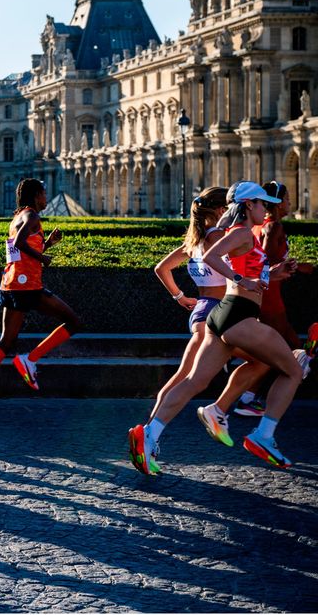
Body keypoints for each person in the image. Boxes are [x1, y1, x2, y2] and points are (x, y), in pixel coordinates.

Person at [128, 181, 301, 474]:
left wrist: (273, 273)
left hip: (222, 314)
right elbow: (211, 257)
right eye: (262, 204)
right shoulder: (242, 232)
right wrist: (240, 278)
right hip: (238, 315)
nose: (267, 209)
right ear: (248, 205)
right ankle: (262, 434)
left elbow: (242, 271)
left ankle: (150, 434)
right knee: (293, 369)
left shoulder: (241, 235)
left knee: (194, 380)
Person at [0, 178, 81, 416]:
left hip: (12, 283)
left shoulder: (18, 216)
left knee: (6, 342)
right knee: (74, 322)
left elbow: (23, 247)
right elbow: (19, 242)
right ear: (36, 195)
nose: (46, 198)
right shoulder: (32, 217)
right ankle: (30, 359)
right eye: (44, 194)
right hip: (27, 286)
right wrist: (43, 258)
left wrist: (47, 245)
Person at [227, 180, 314, 415]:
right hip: (269, 293)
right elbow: (262, 259)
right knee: (287, 347)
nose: (289, 203)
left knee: (283, 346)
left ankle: (250, 397)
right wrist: (299, 268)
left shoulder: (262, 225)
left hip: (266, 291)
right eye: (286, 199)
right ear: (276, 202)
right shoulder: (273, 226)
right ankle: (250, 400)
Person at [146, 187, 230, 422]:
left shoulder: (195, 239)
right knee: (187, 380)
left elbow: (161, 268)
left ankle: (148, 431)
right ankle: (149, 432)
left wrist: (179, 297)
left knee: (184, 376)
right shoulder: (217, 237)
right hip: (217, 312)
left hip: (203, 309)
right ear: (221, 210)